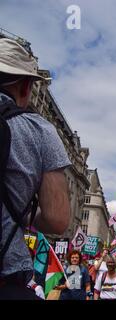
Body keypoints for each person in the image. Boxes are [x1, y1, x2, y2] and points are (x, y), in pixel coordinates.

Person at [0, 38, 71, 299]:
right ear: (26, 85)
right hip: (7, 274)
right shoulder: (39, 130)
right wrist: (23, 212)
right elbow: (58, 219)